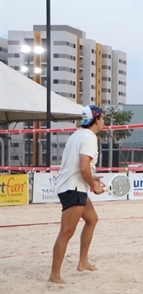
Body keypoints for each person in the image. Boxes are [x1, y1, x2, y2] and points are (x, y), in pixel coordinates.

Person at [48, 105, 105, 284]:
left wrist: (91, 178)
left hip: (74, 185)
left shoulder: (77, 134)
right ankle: (54, 275)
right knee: (66, 232)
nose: (103, 121)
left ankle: (83, 262)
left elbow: (79, 167)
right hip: (72, 188)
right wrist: (94, 186)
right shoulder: (89, 137)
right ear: (96, 119)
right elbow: (82, 167)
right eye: (102, 118)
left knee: (92, 219)